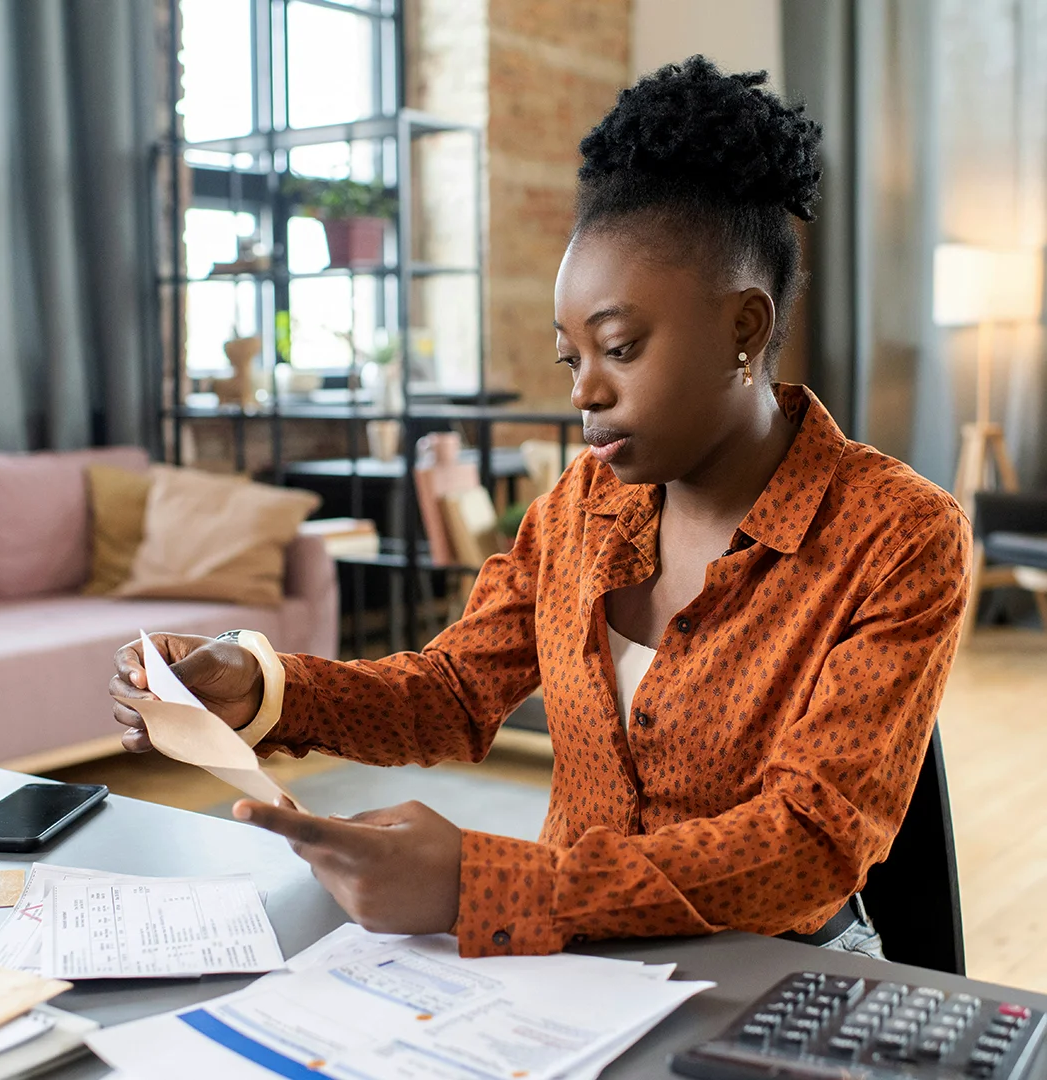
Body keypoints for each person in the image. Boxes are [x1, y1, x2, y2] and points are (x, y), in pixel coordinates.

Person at [111, 57, 971, 960]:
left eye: (620, 348)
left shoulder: (898, 535)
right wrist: (265, 687)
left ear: (744, 329)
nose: (584, 393)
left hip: (768, 970)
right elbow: (450, 694)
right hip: (567, 962)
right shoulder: (579, 507)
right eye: (572, 360)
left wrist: (484, 883)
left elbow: (810, 844)